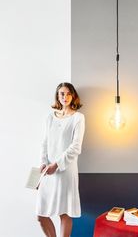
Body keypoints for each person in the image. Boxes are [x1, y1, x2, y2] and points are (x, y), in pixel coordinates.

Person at [36, 82, 85, 237]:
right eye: (62, 94)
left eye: (68, 93)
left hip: (65, 171)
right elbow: (44, 143)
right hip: (48, 172)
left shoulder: (78, 118)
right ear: (57, 96)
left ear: (73, 95)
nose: (65, 97)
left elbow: (76, 147)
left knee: (64, 212)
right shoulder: (50, 117)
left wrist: (56, 165)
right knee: (41, 215)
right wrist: (44, 163)